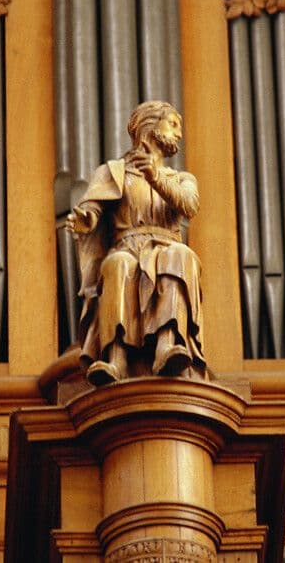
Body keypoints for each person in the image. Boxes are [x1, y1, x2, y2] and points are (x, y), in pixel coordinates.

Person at [66, 101, 205, 385]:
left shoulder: (181, 178)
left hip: (166, 245)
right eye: (173, 124)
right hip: (126, 247)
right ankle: (115, 358)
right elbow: (92, 209)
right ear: (151, 125)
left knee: (181, 255)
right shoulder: (113, 172)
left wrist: (155, 177)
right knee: (117, 264)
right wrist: (85, 221)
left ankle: (167, 345)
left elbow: (189, 205)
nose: (179, 133)